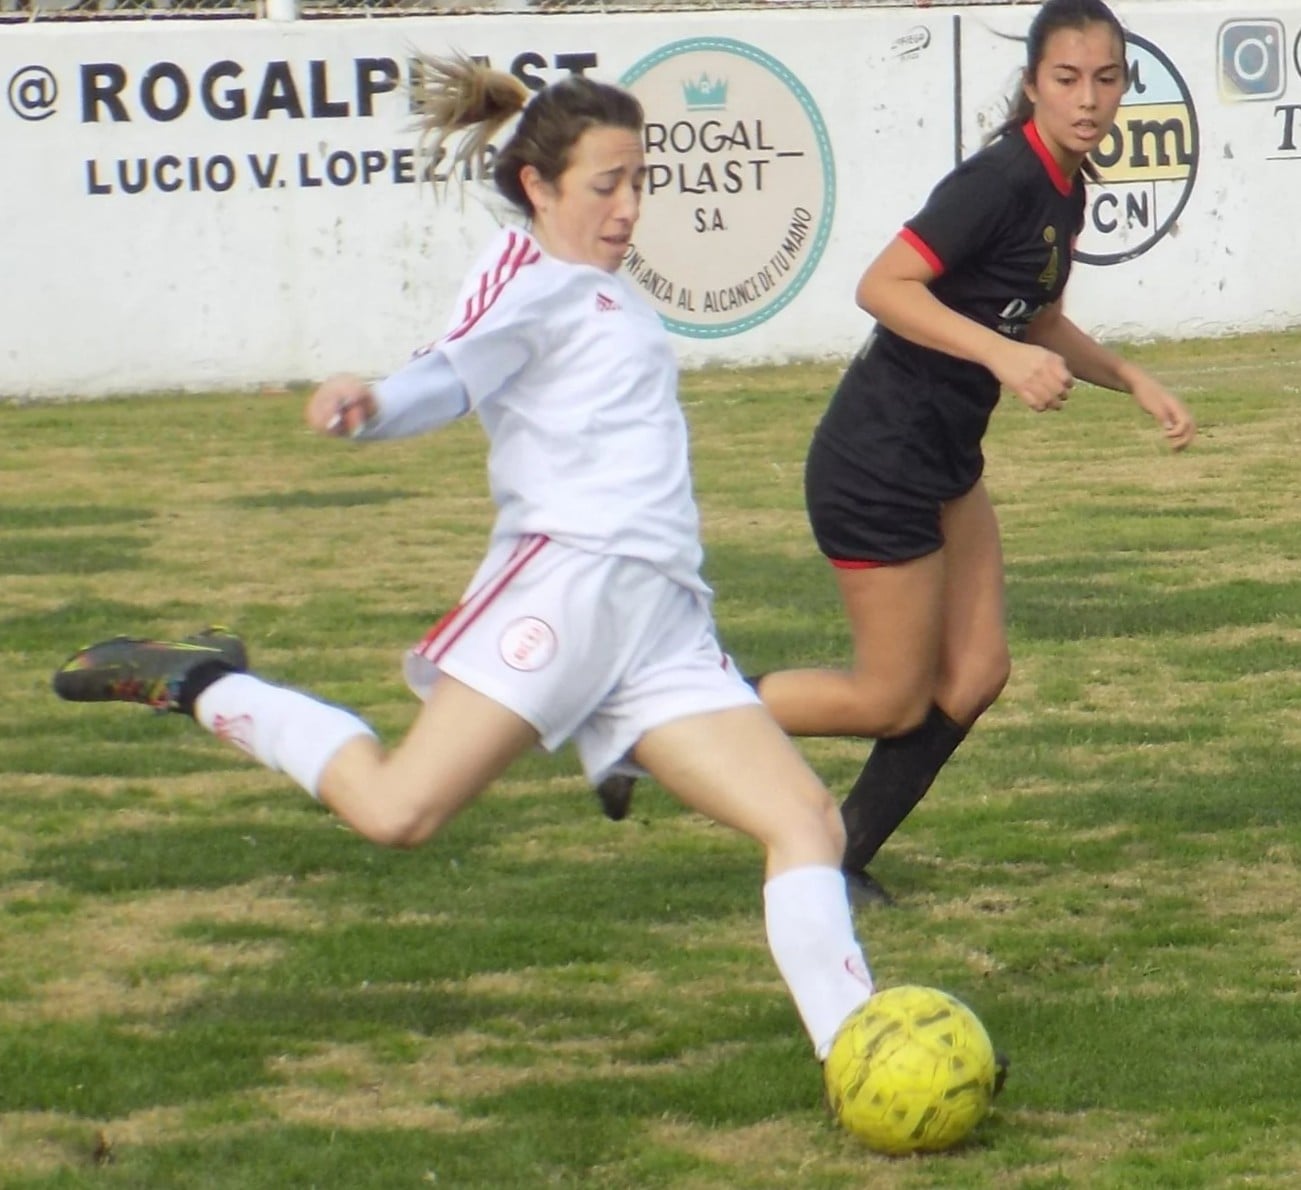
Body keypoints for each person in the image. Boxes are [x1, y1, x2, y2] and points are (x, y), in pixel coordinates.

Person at [51, 57, 876, 1072]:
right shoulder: (526, 274)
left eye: (639, 181)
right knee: (399, 810)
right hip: (567, 587)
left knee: (804, 818)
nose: (627, 208)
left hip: (661, 618)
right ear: (538, 187)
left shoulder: (611, 296)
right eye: (604, 184)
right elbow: (450, 374)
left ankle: (858, 1056)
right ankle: (206, 681)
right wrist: (374, 402)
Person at [597, 0, 1196, 906]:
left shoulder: (1063, 185)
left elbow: (1030, 313)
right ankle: (645, 725)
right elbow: (882, 286)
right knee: (888, 698)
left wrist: (1128, 378)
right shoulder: (997, 180)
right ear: (1032, 83)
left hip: (944, 457)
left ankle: (837, 859)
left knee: (977, 673)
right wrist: (1002, 357)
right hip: (877, 459)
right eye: (1067, 79)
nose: (1088, 100)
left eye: (1105, 80)